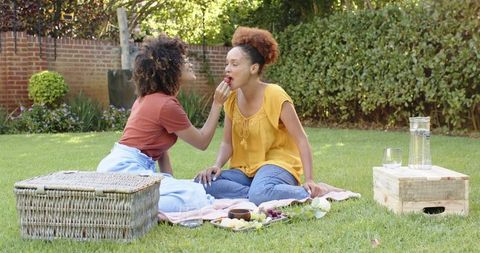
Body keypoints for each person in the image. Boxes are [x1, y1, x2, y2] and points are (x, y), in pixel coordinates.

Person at [195, 27, 341, 205]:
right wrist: (217, 166)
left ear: (254, 68)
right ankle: (263, 193)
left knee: (260, 192)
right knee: (201, 183)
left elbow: (302, 139)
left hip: (278, 166)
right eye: (227, 63)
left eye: (234, 64)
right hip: (245, 172)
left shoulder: (275, 94)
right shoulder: (231, 99)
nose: (227, 69)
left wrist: (309, 178)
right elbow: (227, 142)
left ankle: (314, 190)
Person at [97, 34, 230, 212]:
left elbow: (160, 152)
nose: (189, 62)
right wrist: (217, 103)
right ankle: (123, 207)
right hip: (124, 170)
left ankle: (126, 205)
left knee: (187, 190)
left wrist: (170, 182)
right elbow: (202, 142)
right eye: (183, 59)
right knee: (195, 194)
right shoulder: (165, 104)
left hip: (119, 167)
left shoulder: (151, 98)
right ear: (169, 67)